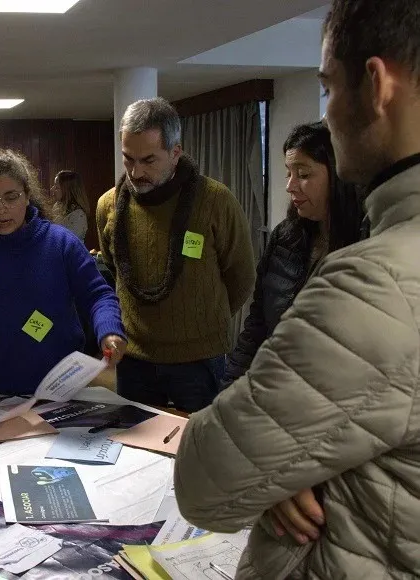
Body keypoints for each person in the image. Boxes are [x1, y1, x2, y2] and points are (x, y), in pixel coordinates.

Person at [175, 1, 420, 577]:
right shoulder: (290, 244)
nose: (329, 112)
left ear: (377, 84)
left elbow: (204, 478)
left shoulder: (375, 283)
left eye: (328, 88)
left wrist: (284, 467)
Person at [0, 149, 127, 428]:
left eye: (11, 197)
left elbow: (97, 294)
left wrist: (109, 329)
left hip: (64, 391)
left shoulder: (61, 243)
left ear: (27, 195)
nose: (1, 209)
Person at [96, 97, 255, 412]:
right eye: (128, 158)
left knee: (199, 451)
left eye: (148, 160)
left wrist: (200, 321)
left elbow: (241, 277)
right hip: (135, 359)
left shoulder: (216, 201)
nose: (135, 171)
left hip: (199, 361)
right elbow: (115, 272)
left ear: (175, 153)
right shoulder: (109, 205)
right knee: (135, 454)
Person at [223, 122, 363, 384]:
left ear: (338, 175)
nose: (290, 186)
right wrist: (230, 386)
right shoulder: (284, 238)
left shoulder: (368, 244)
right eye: (288, 172)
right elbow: (257, 326)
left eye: (303, 174)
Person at [50, 170, 90, 240]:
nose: (52, 189)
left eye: (56, 187)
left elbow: (69, 243)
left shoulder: (78, 215)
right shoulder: (57, 206)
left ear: (67, 190)